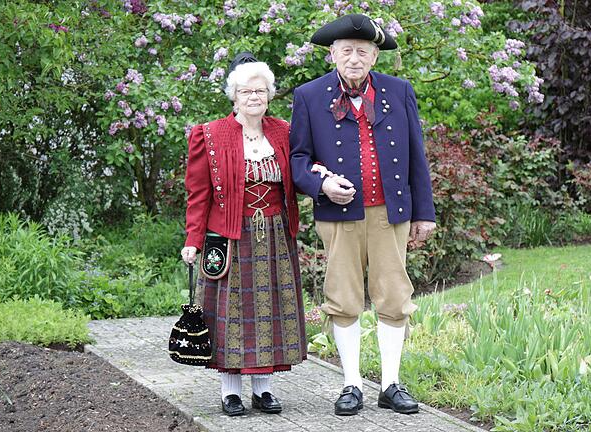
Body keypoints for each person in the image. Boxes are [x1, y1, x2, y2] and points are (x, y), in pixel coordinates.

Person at [290, 14, 437, 416]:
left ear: (374, 56)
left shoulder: (399, 90)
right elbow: (298, 158)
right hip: (339, 216)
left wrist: (425, 212)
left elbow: (416, 156)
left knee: (394, 295)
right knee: (343, 297)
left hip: (391, 213)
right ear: (333, 54)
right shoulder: (308, 96)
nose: (354, 58)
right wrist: (321, 186)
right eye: (347, 51)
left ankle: (390, 384)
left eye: (363, 51)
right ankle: (351, 383)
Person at [180, 53, 308, 417]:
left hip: (275, 235)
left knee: (270, 312)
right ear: (233, 96)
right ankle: (230, 392)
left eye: (261, 90)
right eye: (246, 91)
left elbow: (298, 174)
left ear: (269, 95)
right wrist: (193, 239)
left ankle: (264, 390)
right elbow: (198, 193)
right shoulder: (209, 134)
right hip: (230, 236)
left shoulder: (283, 131)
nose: (254, 97)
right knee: (230, 315)